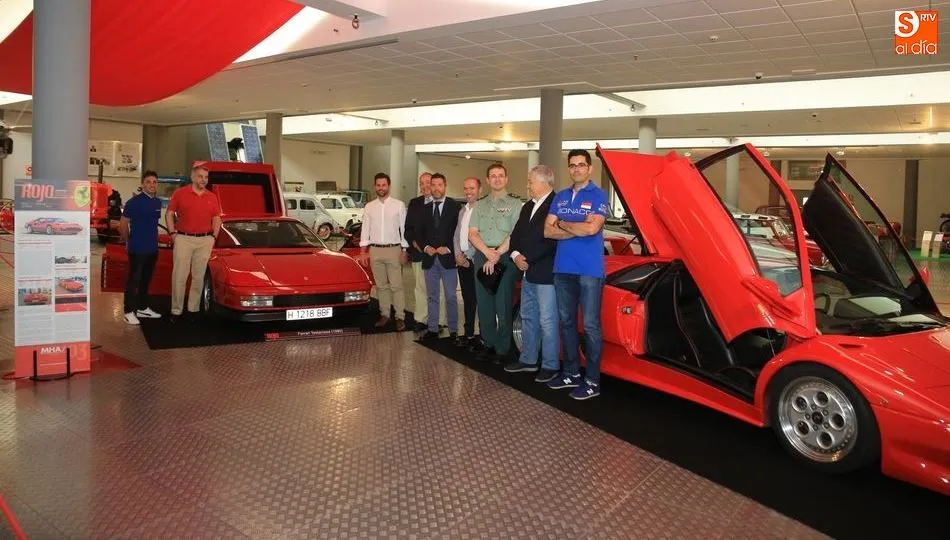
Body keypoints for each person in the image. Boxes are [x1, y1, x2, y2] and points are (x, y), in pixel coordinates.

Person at [544, 149, 610, 400]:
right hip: (563, 269)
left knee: (591, 325)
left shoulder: (599, 195)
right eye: (572, 166)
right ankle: (571, 372)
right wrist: (576, 227)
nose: (576, 169)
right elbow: (547, 231)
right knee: (567, 322)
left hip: (590, 271)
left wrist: (561, 223)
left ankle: (592, 380)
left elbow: (593, 228)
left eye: (581, 165)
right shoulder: (560, 196)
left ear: (590, 169)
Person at [504, 165, 559, 382]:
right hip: (527, 273)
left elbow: (552, 240)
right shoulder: (527, 206)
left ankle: (551, 365)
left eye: (530, 181)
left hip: (546, 273)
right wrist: (516, 255)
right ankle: (528, 360)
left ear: (544, 182)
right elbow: (516, 235)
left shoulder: (556, 204)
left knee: (547, 320)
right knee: (528, 317)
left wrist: (528, 259)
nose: (527, 185)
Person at [468, 163, 522, 363]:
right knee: (484, 305)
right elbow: (472, 233)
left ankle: (503, 348)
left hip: (505, 257)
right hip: (483, 256)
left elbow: (514, 233)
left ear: (506, 179)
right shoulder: (479, 204)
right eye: (493, 176)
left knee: (503, 304)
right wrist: (487, 253)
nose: (497, 179)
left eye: (501, 175)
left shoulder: (516, 204)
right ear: (488, 180)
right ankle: (488, 343)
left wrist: (497, 253)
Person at [165, 163, 222, 322]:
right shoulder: (180, 193)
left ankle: (193, 310)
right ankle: (176, 311)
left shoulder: (212, 196)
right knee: (179, 276)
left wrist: (213, 237)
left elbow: (217, 218)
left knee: (198, 277)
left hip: (205, 240)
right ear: (192, 177)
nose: (203, 180)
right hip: (183, 239)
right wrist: (172, 233)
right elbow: (169, 214)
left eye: (206, 177)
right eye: (200, 176)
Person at [358, 172, 408, 331]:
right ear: (375, 187)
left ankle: (400, 317)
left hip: (394, 250)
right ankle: (385, 314)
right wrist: (363, 251)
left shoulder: (398, 205)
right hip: (375, 251)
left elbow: (404, 228)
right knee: (381, 286)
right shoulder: (369, 207)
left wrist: (404, 249)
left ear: (389, 186)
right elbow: (365, 229)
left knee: (396, 286)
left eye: (384, 185)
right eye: (378, 185)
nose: (381, 188)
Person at [417, 173, 461, 340]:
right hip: (430, 260)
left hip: (448, 259)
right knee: (432, 296)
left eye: (439, 185)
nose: (435, 188)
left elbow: (459, 232)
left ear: (445, 186)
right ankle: (433, 329)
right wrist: (426, 247)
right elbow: (419, 234)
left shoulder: (455, 207)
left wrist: (449, 248)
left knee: (450, 296)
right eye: (432, 185)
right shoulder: (425, 209)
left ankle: (454, 331)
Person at [119, 170, 163, 325]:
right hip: (137, 249)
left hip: (152, 249)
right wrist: (127, 240)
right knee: (134, 281)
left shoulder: (157, 202)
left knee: (146, 280)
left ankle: (143, 308)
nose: (152, 184)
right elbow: (123, 223)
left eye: (154, 182)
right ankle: (128, 311)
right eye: (148, 182)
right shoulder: (134, 202)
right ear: (142, 184)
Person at [453, 176, 481, 348]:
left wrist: (468, 256)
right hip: (461, 260)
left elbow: (480, 235)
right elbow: (456, 234)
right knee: (468, 299)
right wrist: (458, 255)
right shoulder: (462, 211)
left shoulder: (483, 209)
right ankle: (469, 333)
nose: (468, 192)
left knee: (480, 300)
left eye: (472, 188)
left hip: (475, 260)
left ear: (479, 190)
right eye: (466, 188)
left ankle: (483, 335)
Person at [404, 172, 432, 330]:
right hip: (418, 253)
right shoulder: (414, 203)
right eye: (422, 183)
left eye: (428, 182)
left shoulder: (440, 203)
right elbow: (408, 228)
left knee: (437, 290)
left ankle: (438, 321)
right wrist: (413, 242)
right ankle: (421, 320)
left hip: (437, 255)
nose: (425, 186)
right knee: (420, 288)